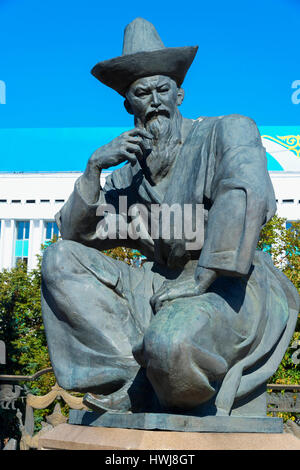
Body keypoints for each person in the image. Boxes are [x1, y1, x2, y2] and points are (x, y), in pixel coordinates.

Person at [41, 18, 299, 416]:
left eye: (163, 89)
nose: (155, 100)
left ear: (180, 94)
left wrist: (202, 277)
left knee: (170, 347)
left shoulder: (227, 131)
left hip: (226, 284)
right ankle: (132, 382)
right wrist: (93, 169)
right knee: (59, 259)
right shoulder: (126, 174)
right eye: (142, 93)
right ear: (129, 105)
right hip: (156, 285)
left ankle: (157, 373)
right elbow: (76, 235)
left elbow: (244, 193)